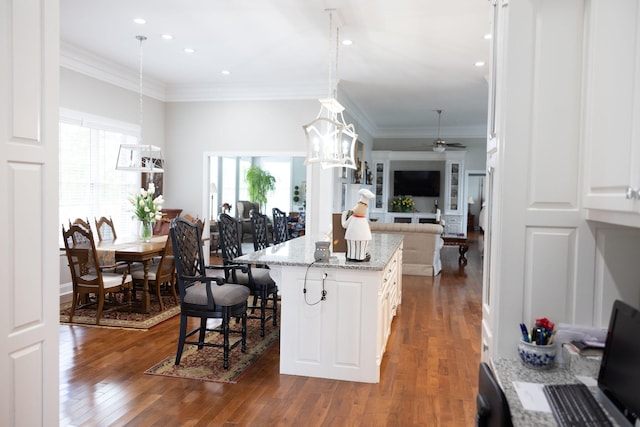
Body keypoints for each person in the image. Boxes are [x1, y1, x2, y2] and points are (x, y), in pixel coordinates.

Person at [341, 188, 375, 261]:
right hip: (362, 238)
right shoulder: (364, 220)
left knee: (352, 246)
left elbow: (344, 225)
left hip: (351, 237)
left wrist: (343, 215)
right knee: (360, 246)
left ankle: (352, 257)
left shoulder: (353, 217)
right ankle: (360, 257)